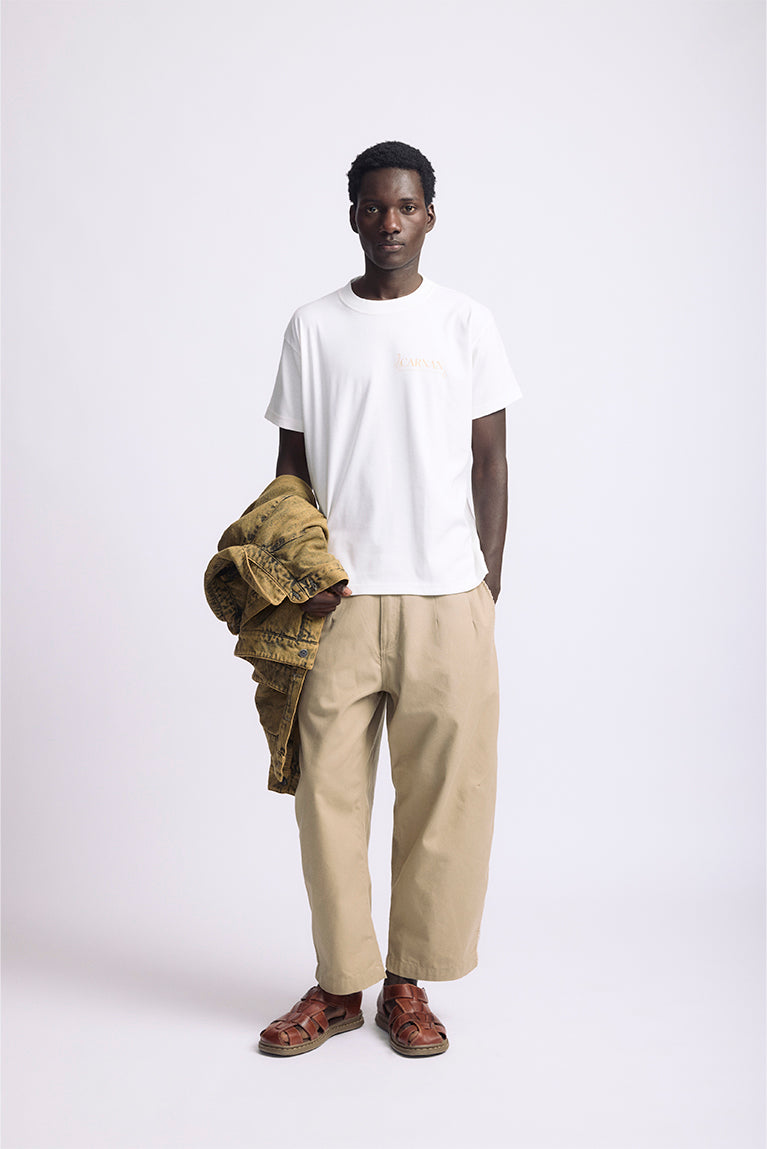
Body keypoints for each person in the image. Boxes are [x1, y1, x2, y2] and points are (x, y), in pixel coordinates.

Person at [258, 140, 521, 1058]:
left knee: (446, 801)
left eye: (405, 206)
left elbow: (492, 460)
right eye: (373, 207)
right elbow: (289, 471)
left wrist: (486, 582)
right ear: (353, 216)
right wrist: (294, 579)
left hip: (447, 598)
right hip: (337, 602)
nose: (389, 223)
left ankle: (407, 982)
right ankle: (339, 984)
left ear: (430, 215)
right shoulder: (313, 326)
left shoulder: (465, 321)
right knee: (325, 799)